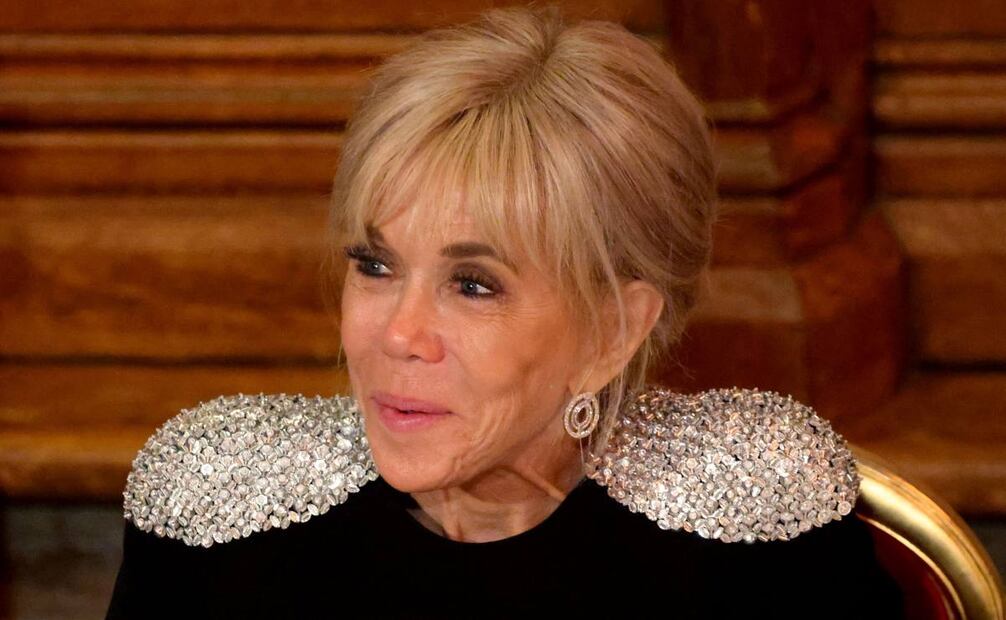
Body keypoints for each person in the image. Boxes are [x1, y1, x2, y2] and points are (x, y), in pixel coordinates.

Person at [105, 5, 906, 618]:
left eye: (473, 285)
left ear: (613, 332)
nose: (398, 334)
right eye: (376, 266)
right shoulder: (218, 515)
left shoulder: (757, 533)